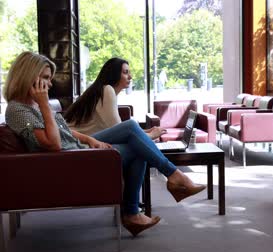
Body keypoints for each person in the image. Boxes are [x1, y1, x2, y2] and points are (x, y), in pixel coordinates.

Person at [3, 52, 206, 237]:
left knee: (133, 135)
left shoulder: (33, 105)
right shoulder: (18, 110)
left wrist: (91, 139)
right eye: (45, 78)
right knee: (133, 137)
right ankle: (165, 185)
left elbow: (64, 131)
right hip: (68, 160)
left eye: (49, 78)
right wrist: (46, 105)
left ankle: (144, 204)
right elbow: (55, 144)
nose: (49, 84)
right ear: (29, 76)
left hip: (78, 150)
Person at [64, 57, 165, 140]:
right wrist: (151, 135)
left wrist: (146, 131)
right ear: (114, 74)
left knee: (137, 146)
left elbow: (119, 128)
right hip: (78, 144)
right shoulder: (107, 90)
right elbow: (118, 130)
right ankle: (167, 165)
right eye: (126, 72)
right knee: (136, 146)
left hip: (84, 141)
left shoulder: (103, 90)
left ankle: (167, 165)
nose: (130, 77)